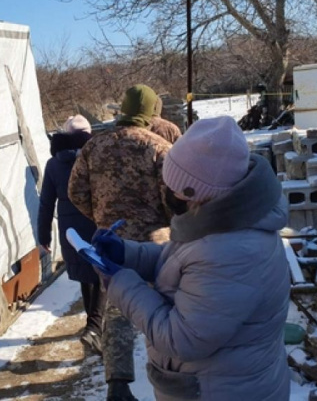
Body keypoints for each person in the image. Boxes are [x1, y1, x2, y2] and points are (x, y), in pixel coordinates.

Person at [89, 116, 290, 401]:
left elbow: (181, 338)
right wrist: (128, 253)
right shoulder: (224, 224)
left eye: (175, 188)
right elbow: (184, 261)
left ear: (199, 193)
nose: (169, 194)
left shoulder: (232, 252)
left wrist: (120, 283)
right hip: (219, 382)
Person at [69, 84, 172, 401]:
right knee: (165, 311)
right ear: (151, 112)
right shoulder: (160, 147)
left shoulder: (93, 147)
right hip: (156, 245)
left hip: (110, 242)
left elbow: (76, 192)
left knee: (116, 311)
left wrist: (101, 216)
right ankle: (170, 377)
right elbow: (173, 200)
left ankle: (117, 385)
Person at [37, 115, 103, 353]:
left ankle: (93, 325)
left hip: (71, 230)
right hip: (96, 222)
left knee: (87, 278)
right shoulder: (95, 156)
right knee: (102, 276)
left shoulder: (53, 164)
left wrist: (44, 236)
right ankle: (95, 327)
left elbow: (45, 203)